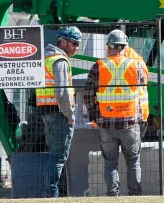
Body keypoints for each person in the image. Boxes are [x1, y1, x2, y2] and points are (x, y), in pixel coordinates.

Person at [84, 29, 149, 197]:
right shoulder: (136, 65)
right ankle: (135, 195)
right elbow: (141, 90)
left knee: (110, 163)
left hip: (106, 122)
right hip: (130, 122)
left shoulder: (98, 66)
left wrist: (95, 115)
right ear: (125, 46)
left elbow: (88, 95)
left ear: (109, 47)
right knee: (133, 162)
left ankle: (113, 196)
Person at [35, 25, 82, 198]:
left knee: (53, 155)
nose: (76, 47)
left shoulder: (44, 58)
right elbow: (62, 92)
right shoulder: (60, 61)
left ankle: (50, 192)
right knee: (59, 157)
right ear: (62, 41)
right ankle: (52, 193)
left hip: (46, 111)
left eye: (77, 44)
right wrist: (70, 115)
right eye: (73, 43)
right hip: (59, 113)